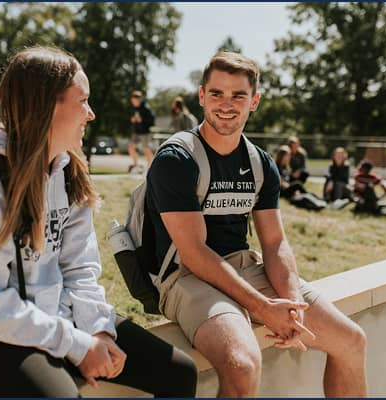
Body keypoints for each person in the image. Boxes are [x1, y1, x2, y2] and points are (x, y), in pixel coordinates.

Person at [0, 46, 197, 398]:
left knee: (178, 372)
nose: (90, 114)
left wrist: (100, 330)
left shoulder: (67, 171)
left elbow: (79, 268)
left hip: (60, 317)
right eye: (83, 101)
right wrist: (76, 345)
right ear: (46, 105)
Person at [145, 51, 367, 397]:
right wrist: (263, 307)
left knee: (352, 341)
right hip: (186, 276)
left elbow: (275, 242)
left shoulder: (260, 163)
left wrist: (292, 307)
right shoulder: (176, 159)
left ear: (255, 101)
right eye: (216, 93)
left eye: (238, 95)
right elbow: (193, 251)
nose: (226, 104)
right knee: (242, 364)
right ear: (201, 96)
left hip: (243, 267)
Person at [274, 145, 326, 211]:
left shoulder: (285, 167)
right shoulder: (276, 166)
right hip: (281, 191)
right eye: (288, 155)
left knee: (302, 182)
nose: (289, 157)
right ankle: (316, 199)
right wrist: (293, 189)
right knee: (297, 184)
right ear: (282, 156)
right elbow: (281, 182)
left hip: (287, 188)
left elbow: (288, 179)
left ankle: (320, 200)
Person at [128, 90, 155, 173]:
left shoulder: (146, 108)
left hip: (145, 132)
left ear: (139, 100)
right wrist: (133, 120)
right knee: (131, 148)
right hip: (136, 131)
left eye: (134, 101)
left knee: (146, 149)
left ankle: (151, 166)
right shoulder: (134, 108)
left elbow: (152, 121)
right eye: (132, 101)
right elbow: (132, 118)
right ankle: (136, 165)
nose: (133, 102)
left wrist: (141, 120)